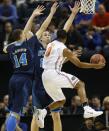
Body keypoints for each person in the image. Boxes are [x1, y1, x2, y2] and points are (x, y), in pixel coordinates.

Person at [36, 2, 106, 128]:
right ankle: (87, 109)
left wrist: (73, 14)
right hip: (53, 73)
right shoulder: (64, 49)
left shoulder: (51, 43)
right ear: (66, 38)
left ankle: (42, 111)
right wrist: (95, 66)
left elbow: (65, 28)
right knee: (80, 84)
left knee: (61, 101)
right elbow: (79, 65)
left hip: (45, 77)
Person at [3, 5, 45, 131]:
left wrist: (14, 42)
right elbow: (37, 29)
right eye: (24, 34)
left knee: (13, 112)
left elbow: (4, 49)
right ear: (22, 36)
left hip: (14, 79)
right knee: (15, 113)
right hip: (24, 80)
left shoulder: (11, 47)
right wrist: (33, 15)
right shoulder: (28, 44)